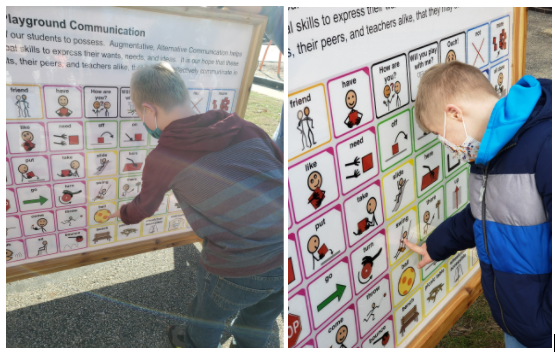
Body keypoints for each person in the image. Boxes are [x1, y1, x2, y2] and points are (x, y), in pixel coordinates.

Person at [107, 62, 283, 348]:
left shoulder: (164, 157)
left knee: (206, 318)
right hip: (288, 252)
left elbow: (143, 208)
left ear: (149, 110)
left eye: (139, 113)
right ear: (184, 96)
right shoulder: (244, 127)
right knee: (260, 320)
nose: (142, 117)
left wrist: (122, 213)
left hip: (237, 264)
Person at [406, 61, 551, 348]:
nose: (447, 145)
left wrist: (547, 320)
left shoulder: (545, 145)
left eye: (441, 135)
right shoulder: (487, 153)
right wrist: (436, 246)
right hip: (520, 321)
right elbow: (484, 214)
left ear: (455, 114)